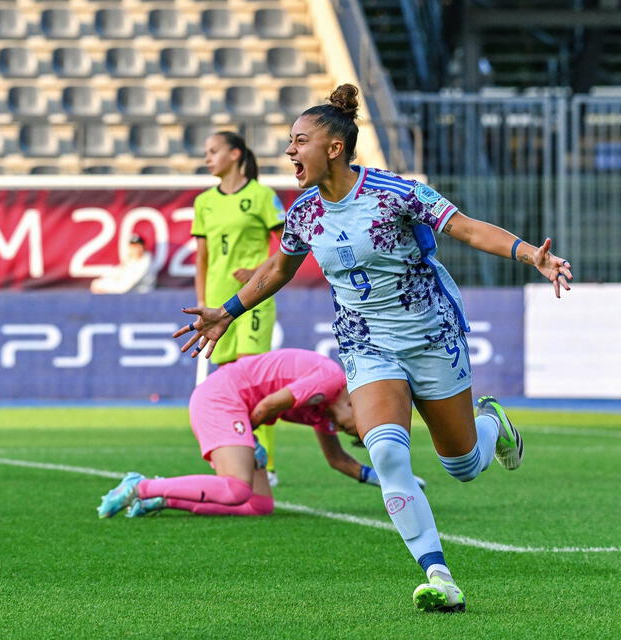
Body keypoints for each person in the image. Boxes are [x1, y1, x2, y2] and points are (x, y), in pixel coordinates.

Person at [173, 84, 573, 613]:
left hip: (431, 336)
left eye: (300, 141)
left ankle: (491, 425)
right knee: (386, 451)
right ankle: (439, 574)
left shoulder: (398, 193)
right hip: (367, 347)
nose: (290, 151)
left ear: (333, 148)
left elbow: (469, 230)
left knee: (463, 465)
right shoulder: (305, 211)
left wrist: (531, 256)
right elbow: (276, 269)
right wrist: (226, 310)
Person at [96, 349, 422, 519]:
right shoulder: (330, 377)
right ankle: (139, 486)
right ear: (356, 405)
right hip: (223, 398)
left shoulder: (325, 414)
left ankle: (162, 499)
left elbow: (337, 460)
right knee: (237, 489)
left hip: (240, 409)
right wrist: (250, 441)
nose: (346, 430)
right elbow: (268, 405)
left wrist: (390, 479)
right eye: (359, 427)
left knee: (259, 505)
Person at [192, 131, 286, 485]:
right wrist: (202, 301)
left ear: (235, 154)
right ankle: (243, 456)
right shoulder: (204, 202)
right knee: (230, 381)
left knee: (255, 377)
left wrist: (259, 270)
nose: (207, 158)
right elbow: (202, 256)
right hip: (218, 303)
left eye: (213, 151)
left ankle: (269, 464)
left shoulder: (262, 196)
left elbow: (286, 247)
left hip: (254, 298)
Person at [90, 234, 156, 294]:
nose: (135, 249)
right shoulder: (130, 260)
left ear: (143, 247)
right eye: (133, 246)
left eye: (138, 246)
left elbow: (125, 287)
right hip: (129, 295)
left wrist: (102, 287)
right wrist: (100, 282)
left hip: (142, 297)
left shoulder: (145, 263)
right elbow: (117, 273)